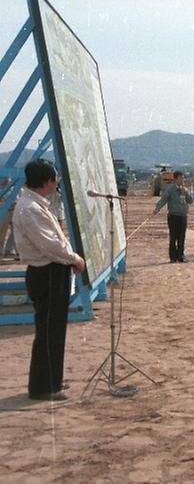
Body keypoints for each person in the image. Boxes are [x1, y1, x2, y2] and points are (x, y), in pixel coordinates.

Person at [12, 160, 86, 401]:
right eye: (55, 180)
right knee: (48, 331)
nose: (57, 185)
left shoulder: (37, 204)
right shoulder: (30, 208)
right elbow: (49, 245)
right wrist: (74, 258)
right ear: (46, 182)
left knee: (54, 330)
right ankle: (43, 386)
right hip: (47, 273)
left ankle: (52, 380)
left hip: (53, 271)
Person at [154, 170, 194, 263]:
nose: (182, 180)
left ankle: (181, 256)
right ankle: (173, 257)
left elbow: (191, 201)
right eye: (181, 178)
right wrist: (157, 208)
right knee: (173, 237)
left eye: (183, 178)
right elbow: (163, 199)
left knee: (181, 237)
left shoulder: (185, 190)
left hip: (183, 216)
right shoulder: (170, 189)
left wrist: (186, 193)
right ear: (175, 179)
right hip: (173, 216)